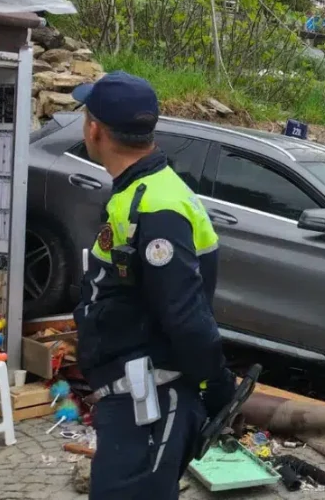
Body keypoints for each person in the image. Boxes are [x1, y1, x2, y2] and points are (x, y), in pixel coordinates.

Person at [71, 72, 238, 500]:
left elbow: (185, 315)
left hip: (148, 402)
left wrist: (218, 386)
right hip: (134, 397)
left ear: (95, 129)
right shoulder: (144, 192)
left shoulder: (158, 206)